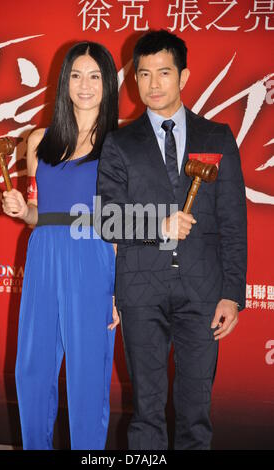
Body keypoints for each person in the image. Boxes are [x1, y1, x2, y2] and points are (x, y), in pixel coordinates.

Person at [96, 30, 247, 450]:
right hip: (141, 289)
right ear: (134, 80)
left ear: (184, 76)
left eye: (164, 72)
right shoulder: (120, 143)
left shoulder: (217, 137)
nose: (153, 84)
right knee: (146, 411)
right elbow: (108, 219)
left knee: (196, 411)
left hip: (203, 290)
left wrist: (232, 294)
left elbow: (234, 221)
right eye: (143, 74)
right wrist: (159, 226)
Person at [2, 41, 119, 450]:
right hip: (44, 253)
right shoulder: (39, 140)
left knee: (88, 374)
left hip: (93, 255)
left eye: (94, 75)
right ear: (63, 81)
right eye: (75, 75)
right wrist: (23, 210)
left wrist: (120, 288)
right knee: (31, 368)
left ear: (108, 83)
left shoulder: (120, 145)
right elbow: (40, 210)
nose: (84, 85)